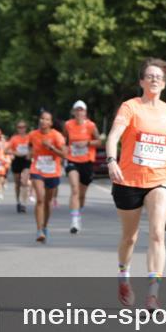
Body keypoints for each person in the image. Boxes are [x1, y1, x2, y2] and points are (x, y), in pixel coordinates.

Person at [105, 59, 166, 309]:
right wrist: (112, 160)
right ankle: (124, 276)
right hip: (128, 180)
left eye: (159, 77)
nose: (155, 79)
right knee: (130, 238)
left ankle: (153, 292)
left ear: (164, 84)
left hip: (160, 178)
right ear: (142, 81)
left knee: (157, 233)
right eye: (150, 76)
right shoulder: (130, 107)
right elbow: (113, 137)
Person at [27, 111, 67, 243]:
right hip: (37, 169)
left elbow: (64, 154)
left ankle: (44, 226)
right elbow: (29, 148)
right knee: (40, 198)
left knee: (48, 202)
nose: (43, 121)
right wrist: (29, 154)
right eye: (42, 118)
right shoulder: (33, 134)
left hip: (52, 171)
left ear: (50, 123)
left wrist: (51, 148)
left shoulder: (57, 136)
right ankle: (39, 230)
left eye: (47, 119)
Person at [64, 100, 101, 234]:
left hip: (87, 161)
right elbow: (64, 140)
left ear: (85, 112)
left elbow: (99, 141)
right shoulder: (68, 125)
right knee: (74, 189)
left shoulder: (91, 126)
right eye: (77, 110)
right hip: (72, 159)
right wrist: (64, 150)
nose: (79, 112)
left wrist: (87, 143)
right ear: (73, 112)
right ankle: (74, 221)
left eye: (82, 110)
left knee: (82, 194)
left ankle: (78, 213)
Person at [7, 121, 32, 214]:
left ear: (26, 128)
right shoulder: (14, 138)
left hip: (26, 160)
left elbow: (34, 148)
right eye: (19, 127)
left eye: (23, 127)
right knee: (17, 183)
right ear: (17, 128)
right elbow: (6, 150)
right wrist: (14, 153)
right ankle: (18, 201)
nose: (21, 129)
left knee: (24, 181)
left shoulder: (30, 137)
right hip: (17, 160)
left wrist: (30, 154)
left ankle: (24, 204)